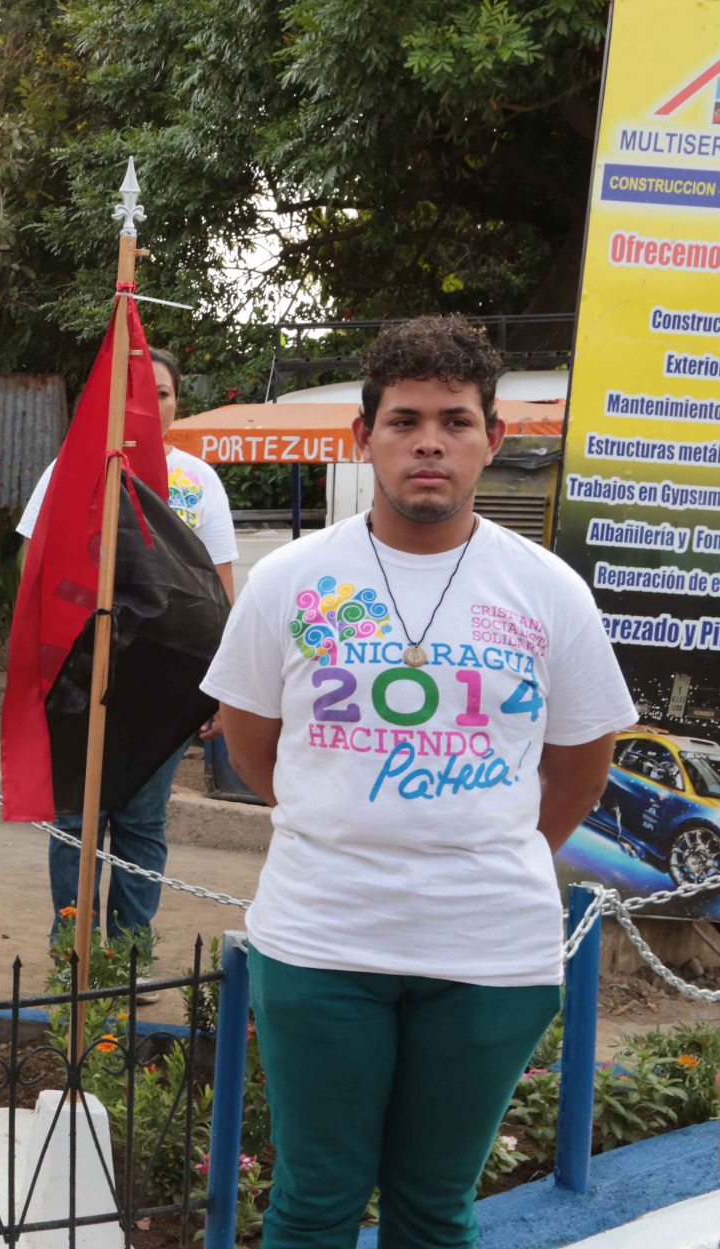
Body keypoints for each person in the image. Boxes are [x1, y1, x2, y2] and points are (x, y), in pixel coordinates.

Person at [202, 315, 633, 1249]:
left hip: (489, 949)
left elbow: (580, 764)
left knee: (435, 1212)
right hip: (321, 936)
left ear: (493, 439)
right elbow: (252, 745)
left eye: (454, 419)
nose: (429, 441)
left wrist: (487, 846)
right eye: (402, 420)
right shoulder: (291, 580)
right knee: (312, 1205)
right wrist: (342, 819)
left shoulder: (550, 589)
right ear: (364, 439)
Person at [16, 346, 237, 941]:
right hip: (79, 676)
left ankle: (126, 956)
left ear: (176, 406)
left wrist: (218, 690)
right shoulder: (69, 470)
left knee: (141, 822)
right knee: (75, 818)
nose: (150, 405)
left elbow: (219, 593)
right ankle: (76, 953)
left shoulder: (199, 482)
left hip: (163, 685)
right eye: (137, 394)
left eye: (162, 394)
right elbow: (33, 570)